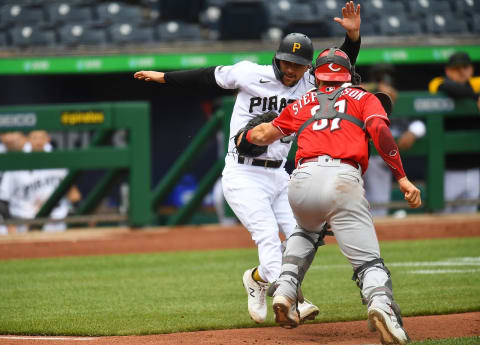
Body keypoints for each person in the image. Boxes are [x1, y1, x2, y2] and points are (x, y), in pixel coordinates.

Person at [134, 1, 362, 324]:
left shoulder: (310, 84)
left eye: (298, 65)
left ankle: (270, 284)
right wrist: (163, 78)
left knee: (304, 236)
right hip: (243, 174)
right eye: (286, 62)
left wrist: (353, 38)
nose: (290, 70)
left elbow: (340, 65)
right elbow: (205, 77)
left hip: (280, 176)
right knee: (268, 238)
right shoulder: (249, 74)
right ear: (277, 58)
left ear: (307, 66)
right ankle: (278, 290)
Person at [239, 48, 421, 344]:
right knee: (368, 263)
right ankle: (380, 305)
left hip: (300, 181)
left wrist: (243, 138)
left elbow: (262, 135)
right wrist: (402, 177)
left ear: (317, 75)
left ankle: (285, 290)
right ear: (348, 75)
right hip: (342, 178)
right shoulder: (364, 97)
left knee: (305, 231)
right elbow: (380, 131)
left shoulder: (303, 101)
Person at [362, 64, 426, 217]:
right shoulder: (361, 95)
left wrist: (412, 132)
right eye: (379, 79)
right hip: (360, 157)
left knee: (379, 205)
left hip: (382, 160)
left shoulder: (399, 99)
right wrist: (374, 88)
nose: (384, 84)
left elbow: (420, 123)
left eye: (386, 79)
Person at [0, 130, 81, 233]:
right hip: (24, 223)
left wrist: (79, 214)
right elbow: (2, 200)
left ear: (48, 139)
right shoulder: (17, 163)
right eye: (34, 138)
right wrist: (10, 225)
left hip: (55, 222)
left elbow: (73, 194)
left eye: (42, 138)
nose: (38, 142)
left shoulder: (57, 163)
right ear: (28, 140)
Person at [429, 51, 480, 213]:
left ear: (471, 69)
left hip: (474, 169)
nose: (461, 72)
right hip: (448, 170)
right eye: (456, 68)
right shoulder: (439, 83)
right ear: (448, 70)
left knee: (468, 220)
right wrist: (475, 96)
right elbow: (448, 87)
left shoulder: (475, 83)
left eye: (464, 67)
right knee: (440, 216)